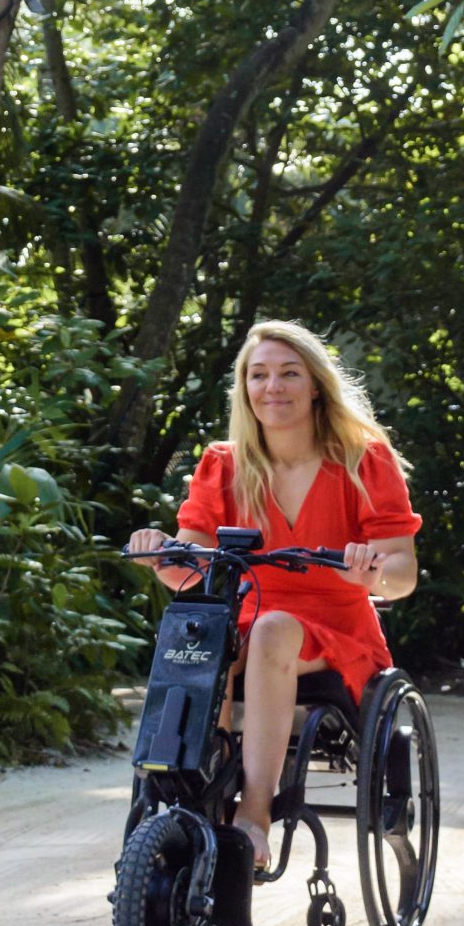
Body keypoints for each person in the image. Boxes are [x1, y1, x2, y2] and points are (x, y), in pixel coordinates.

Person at [128, 318, 420, 870]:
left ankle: (255, 812)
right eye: (258, 375)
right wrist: (159, 554)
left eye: (289, 373)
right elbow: (195, 570)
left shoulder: (364, 460)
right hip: (243, 622)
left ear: (315, 385)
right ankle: (198, 800)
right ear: (245, 389)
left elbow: (402, 571)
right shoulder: (224, 464)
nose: (273, 386)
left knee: (269, 630)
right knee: (199, 637)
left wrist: (371, 576)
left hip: (334, 628)